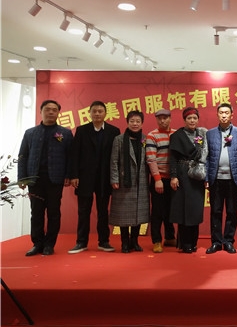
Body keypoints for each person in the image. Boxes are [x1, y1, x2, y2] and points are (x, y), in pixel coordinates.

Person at [18, 99, 73, 256]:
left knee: (54, 212)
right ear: (41, 111)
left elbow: (71, 156)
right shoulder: (30, 133)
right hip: (34, 179)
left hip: (55, 179)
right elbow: (23, 156)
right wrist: (22, 177)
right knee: (36, 212)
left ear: (58, 113)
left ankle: (49, 244)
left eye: (54, 110)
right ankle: (37, 243)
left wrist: (68, 175)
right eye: (47, 109)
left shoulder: (65, 133)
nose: (50, 112)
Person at [69, 101, 120, 254]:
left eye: (100, 111)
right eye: (94, 111)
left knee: (103, 211)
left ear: (105, 113)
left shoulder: (114, 131)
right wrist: (74, 175)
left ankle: (104, 241)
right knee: (83, 211)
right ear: (89, 113)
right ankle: (81, 242)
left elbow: (117, 156)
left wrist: (115, 177)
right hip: (84, 177)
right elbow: (74, 154)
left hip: (105, 178)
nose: (97, 113)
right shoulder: (82, 130)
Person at [205, 103, 237, 254]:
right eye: (221, 112)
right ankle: (216, 242)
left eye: (226, 113)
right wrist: (206, 178)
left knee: (232, 211)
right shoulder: (210, 134)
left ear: (232, 115)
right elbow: (207, 157)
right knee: (215, 211)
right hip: (215, 179)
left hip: (233, 179)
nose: (224, 115)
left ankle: (228, 241)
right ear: (217, 114)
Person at [109, 110, 150, 253]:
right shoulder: (119, 139)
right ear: (127, 122)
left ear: (142, 123)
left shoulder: (145, 139)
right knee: (123, 214)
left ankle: (135, 241)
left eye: (138, 121)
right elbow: (114, 161)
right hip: (124, 181)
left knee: (139, 213)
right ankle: (125, 242)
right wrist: (114, 179)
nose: (135, 124)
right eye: (132, 121)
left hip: (141, 181)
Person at [169, 107, 208, 253]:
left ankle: (193, 242)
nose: (192, 121)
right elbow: (173, 158)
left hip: (197, 175)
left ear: (198, 120)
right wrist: (173, 176)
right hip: (182, 174)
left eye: (194, 118)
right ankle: (185, 243)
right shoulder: (177, 136)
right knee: (183, 210)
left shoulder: (202, 134)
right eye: (189, 118)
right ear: (184, 120)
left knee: (195, 210)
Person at [145, 108, 177, 253]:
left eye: (165, 118)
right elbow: (151, 159)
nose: (162, 121)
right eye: (160, 118)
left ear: (170, 118)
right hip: (159, 179)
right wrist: (157, 179)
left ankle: (170, 237)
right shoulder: (152, 136)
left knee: (171, 210)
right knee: (157, 211)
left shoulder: (177, 134)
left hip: (173, 179)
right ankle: (157, 240)